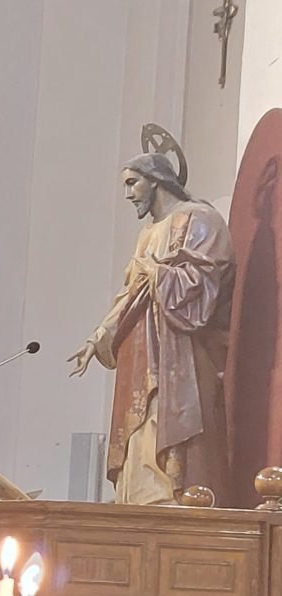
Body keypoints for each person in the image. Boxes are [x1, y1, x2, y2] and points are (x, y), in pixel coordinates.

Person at [69, 136, 234, 504]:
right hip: (140, 353)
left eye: (132, 182)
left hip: (180, 357)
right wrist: (99, 336)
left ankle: (171, 498)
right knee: (139, 431)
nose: (128, 194)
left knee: (169, 433)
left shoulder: (199, 219)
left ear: (156, 179)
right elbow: (131, 295)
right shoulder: (147, 233)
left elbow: (204, 286)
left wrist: (157, 274)